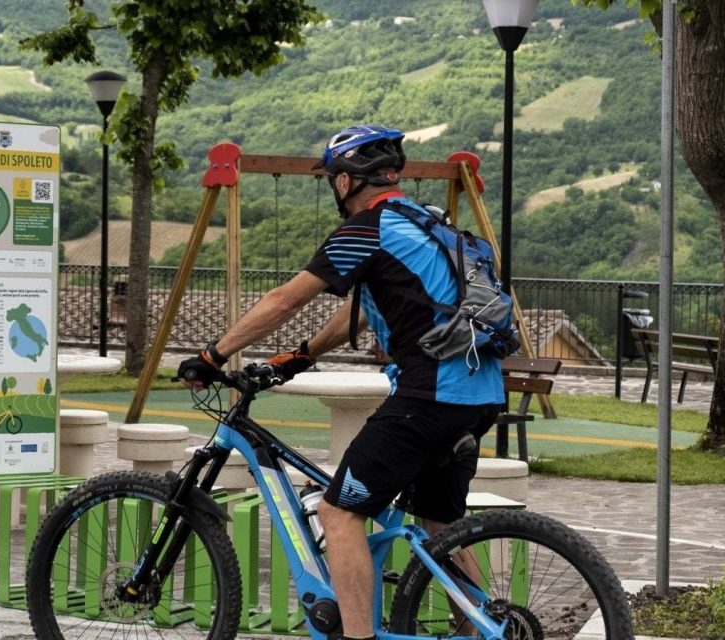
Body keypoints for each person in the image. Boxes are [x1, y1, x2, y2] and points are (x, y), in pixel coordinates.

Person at [177, 124, 504, 640]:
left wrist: (212, 356)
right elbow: (367, 306)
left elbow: (285, 299)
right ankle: (483, 631)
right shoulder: (422, 223)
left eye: (334, 177)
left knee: (339, 510)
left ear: (348, 182)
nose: (334, 186)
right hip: (480, 392)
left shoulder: (366, 229)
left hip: (430, 393)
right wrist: (301, 355)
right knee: (438, 523)